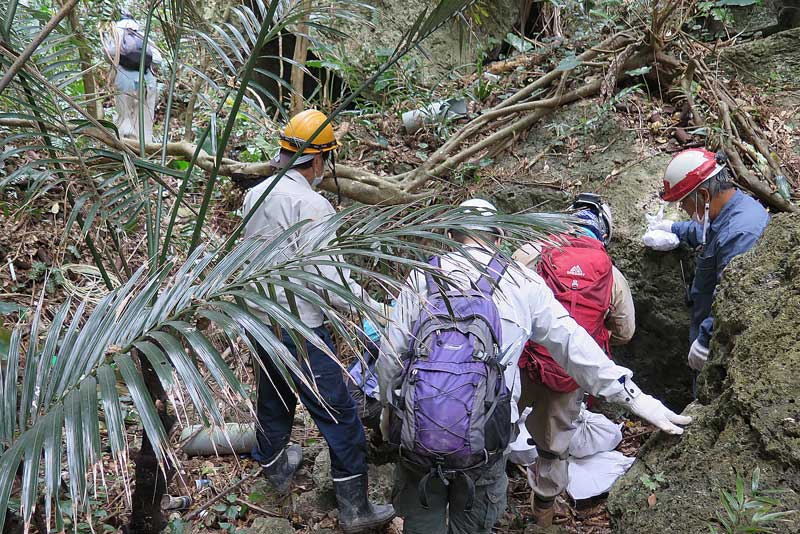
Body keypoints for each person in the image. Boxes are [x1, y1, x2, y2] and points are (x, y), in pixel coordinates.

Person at [377, 199, 691, 534]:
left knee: (423, 519)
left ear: (451, 235)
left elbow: (390, 358)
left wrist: (390, 412)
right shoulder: (521, 283)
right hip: (484, 438)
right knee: (472, 523)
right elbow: (575, 346)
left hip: (418, 432)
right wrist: (636, 398)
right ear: (499, 237)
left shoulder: (423, 276)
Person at [241, 109, 395, 533]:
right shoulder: (310, 203)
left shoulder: (254, 194)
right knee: (340, 413)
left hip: (260, 318)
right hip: (300, 325)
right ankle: (355, 509)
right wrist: (371, 309)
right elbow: (330, 280)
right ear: (319, 159)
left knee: (273, 397)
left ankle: (274, 471)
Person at [512, 193, 636, 527]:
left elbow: (503, 295)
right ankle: (542, 519)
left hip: (523, 362)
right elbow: (626, 330)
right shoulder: (611, 274)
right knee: (553, 448)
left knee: (498, 426)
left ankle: (485, 501)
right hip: (568, 374)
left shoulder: (533, 251)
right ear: (603, 232)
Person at [648, 148, 769, 375]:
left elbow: (734, 297)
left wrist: (705, 340)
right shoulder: (728, 211)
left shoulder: (741, 234)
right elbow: (707, 232)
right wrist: (674, 229)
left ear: (703, 195)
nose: (684, 210)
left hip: (722, 347)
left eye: (683, 204)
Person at [102, 13, 162, 142]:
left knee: (126, 116)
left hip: (125, 80)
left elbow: (108, 54)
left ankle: (126, 148)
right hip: (148, 81)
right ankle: (145, 148)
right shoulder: (142, 35)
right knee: (145, 117)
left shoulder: (115, 34)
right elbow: (158, 59)